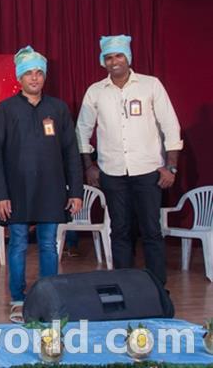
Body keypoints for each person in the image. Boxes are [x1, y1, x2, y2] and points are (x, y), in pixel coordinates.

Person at [76, 35, 183, 285]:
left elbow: (170, 125)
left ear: (128, 57)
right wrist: (89, 166)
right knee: (120, 231)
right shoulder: (96, 91)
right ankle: (125, 287)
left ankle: (157, 288)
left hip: (148, 171)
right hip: (112, 173)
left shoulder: (150, 85)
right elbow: (81, 130)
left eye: (119, 56)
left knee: (151, 231)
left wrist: (171, 166)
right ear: (103, 61)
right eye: (108, 57)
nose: (114, 61)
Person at [0, 46, 83, 324]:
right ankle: (18, 300)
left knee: (49, 245)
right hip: (16, 191)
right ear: (19, 77)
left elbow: (71, 152)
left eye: (39, 73)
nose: (34, 78)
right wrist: (1, 195)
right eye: (29, 73)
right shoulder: (5, 109)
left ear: (44, 77)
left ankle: (49, 298)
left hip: (51, 190)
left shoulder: (58, 108)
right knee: (18, 244)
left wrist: (75, 191)